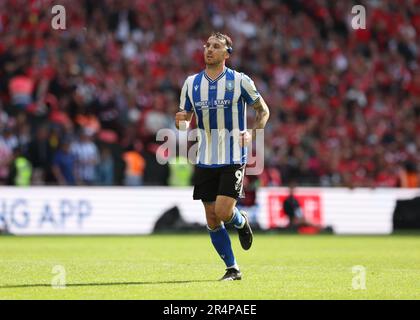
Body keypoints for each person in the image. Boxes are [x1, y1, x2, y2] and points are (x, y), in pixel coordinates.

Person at [175, 32, 270, 281]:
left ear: (227, 54)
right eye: (207, 45)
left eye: (216, 47)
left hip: (233, 155)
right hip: (205, 157)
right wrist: (180, 122)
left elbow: (263, 111)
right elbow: (184, 121)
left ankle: (240, 221)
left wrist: (252, 132)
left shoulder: (240, 81)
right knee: (211, 216)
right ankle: (233, 268)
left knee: (224, 211)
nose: (209, 50)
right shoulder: (191, 83)